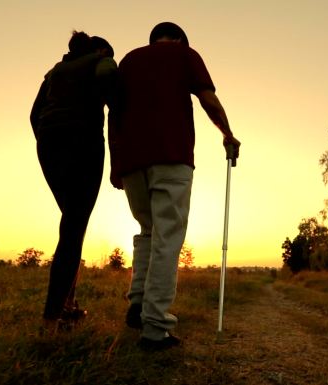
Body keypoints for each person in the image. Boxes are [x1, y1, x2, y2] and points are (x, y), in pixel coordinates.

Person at [109, 22, 241, 350]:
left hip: (132, 162)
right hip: (171, 156)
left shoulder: (128, 60)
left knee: (148, 232)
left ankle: (137, 304)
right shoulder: (184, 55)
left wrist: (117, 164)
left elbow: (115, 112)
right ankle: (155, 327)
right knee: (168, 238)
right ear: (180, 38)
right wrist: (227, 133)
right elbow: (208, 99)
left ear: (152, 39)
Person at [30, 31, 117, 331]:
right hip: (84, 143)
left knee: (71, 224)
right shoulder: (103, 62)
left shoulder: (54, 72)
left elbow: (33, 114)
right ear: (101, 49)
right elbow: (116, 104)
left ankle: (67, 305)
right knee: (73, 228)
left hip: (49, 145)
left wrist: (47, 138)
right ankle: (51, 319)